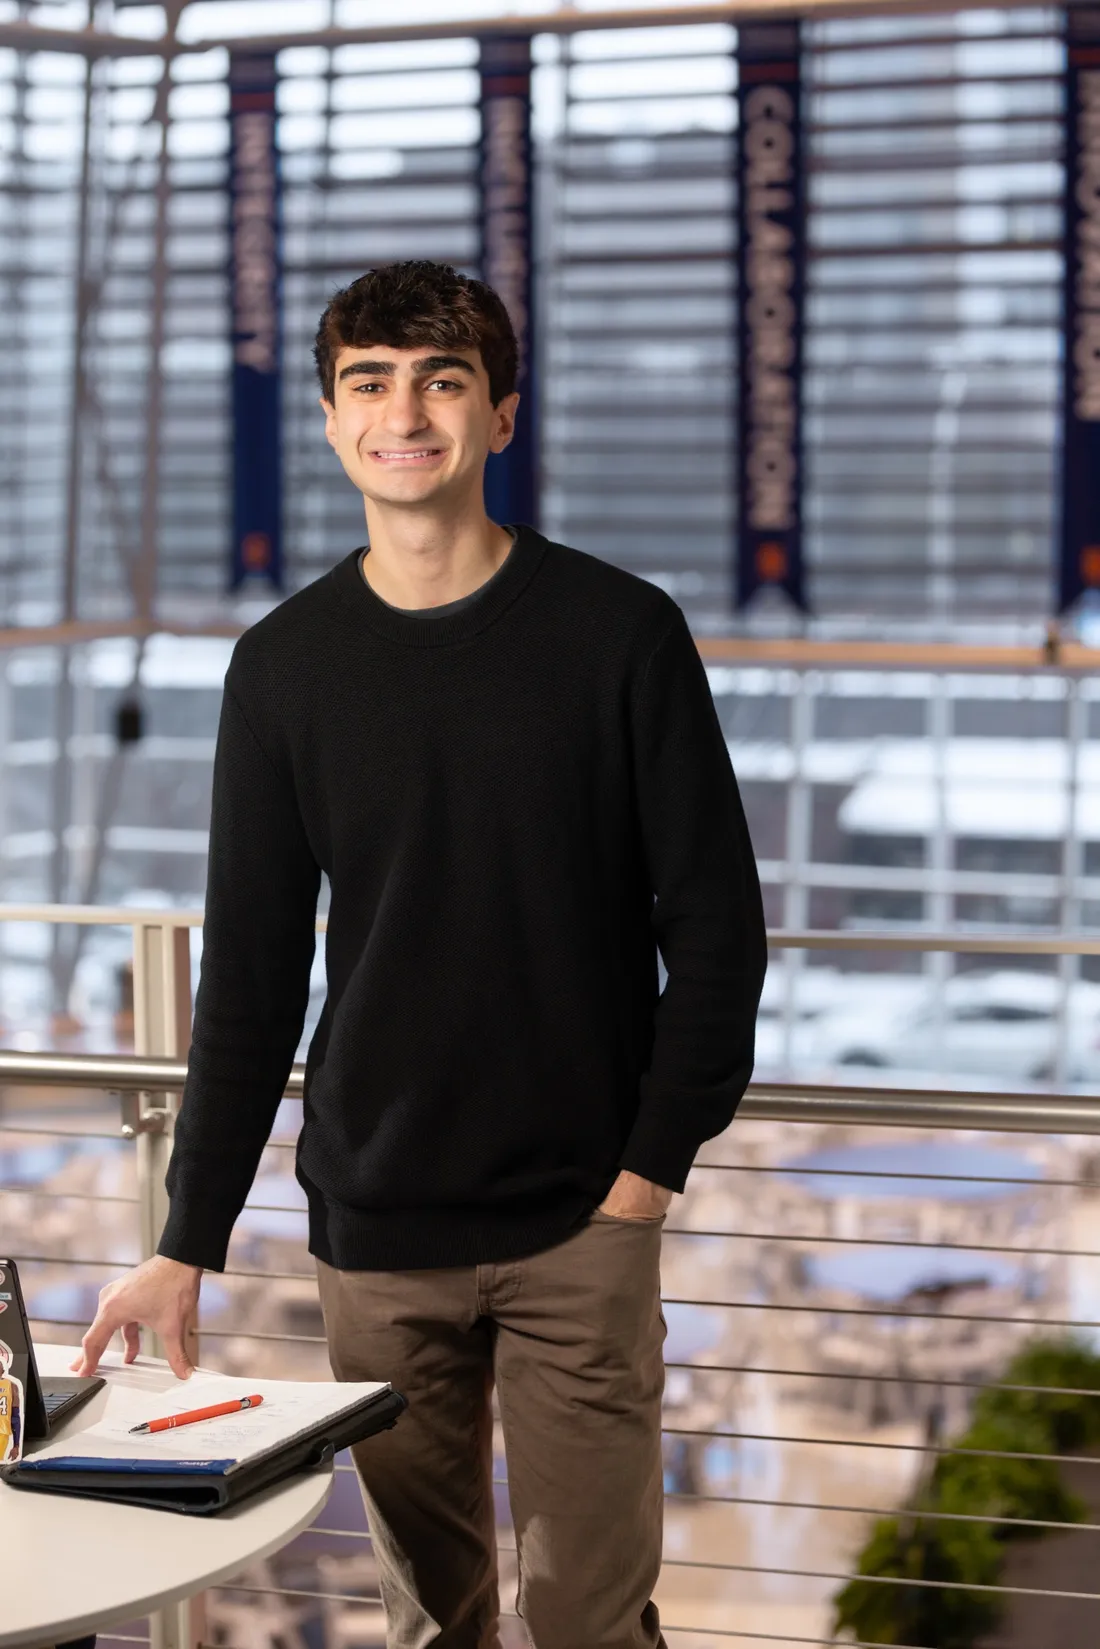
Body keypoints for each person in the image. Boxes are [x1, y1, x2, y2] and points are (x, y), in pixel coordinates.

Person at [74, 259, 766, 1649]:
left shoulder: (622, 635)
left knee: (591, 1619)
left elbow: (719, 930)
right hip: (376, 1231)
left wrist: (648, 1172)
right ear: (334, 423)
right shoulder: (283, 665)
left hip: (584, 1221)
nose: (407, 412)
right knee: (426, 1620)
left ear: (501, 415)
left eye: (444, 380)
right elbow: (256, 976)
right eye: (371, 383)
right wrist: (183, 1242)